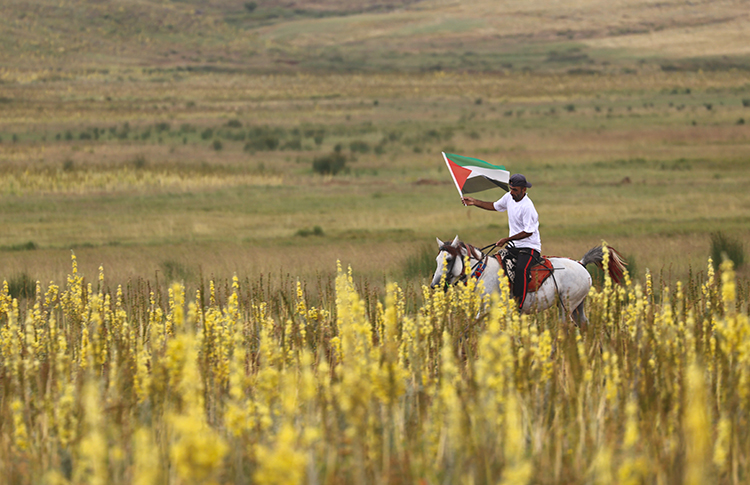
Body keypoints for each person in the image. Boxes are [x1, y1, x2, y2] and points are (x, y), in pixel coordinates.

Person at [461, 173, 541, 311]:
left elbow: (529, 232)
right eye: (511, 188)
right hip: (513, 246)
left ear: (524, 190)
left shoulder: (528, 207)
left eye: (515, 190)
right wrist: (475, 202)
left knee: (521, 270)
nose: (512, 192)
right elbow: (495, 206)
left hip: (529, 247)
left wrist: (507, 239)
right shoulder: (509, 197)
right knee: (495, 264)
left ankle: (519, 305)